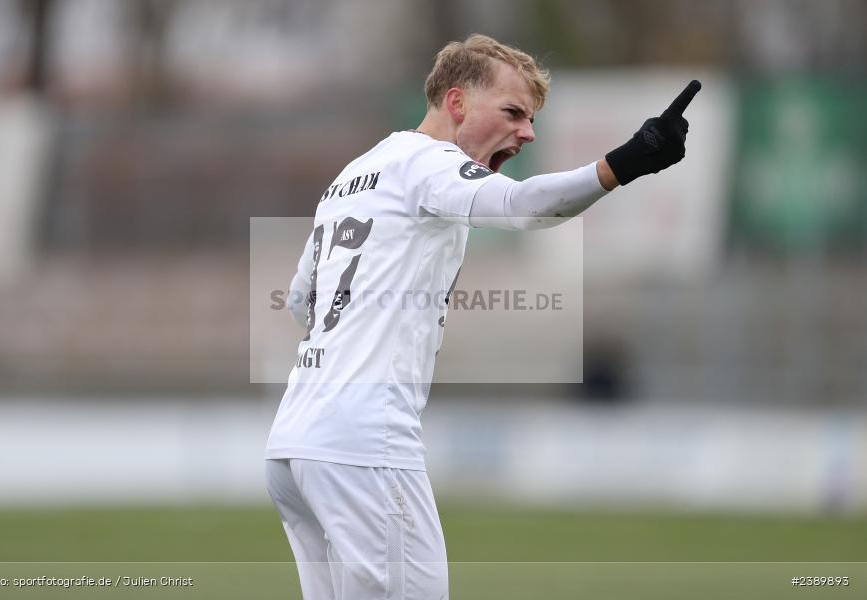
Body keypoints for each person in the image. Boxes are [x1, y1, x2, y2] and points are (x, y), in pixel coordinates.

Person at [265, 33, 699, 600]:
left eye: (531, 119)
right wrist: (626, 162)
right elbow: (525, 206)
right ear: (457, 103)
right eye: (513, 112)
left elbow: (302, 300)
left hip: (294, 445)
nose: (528, 132)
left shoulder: (352, 176)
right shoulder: (428, 163)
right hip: (362, 443)